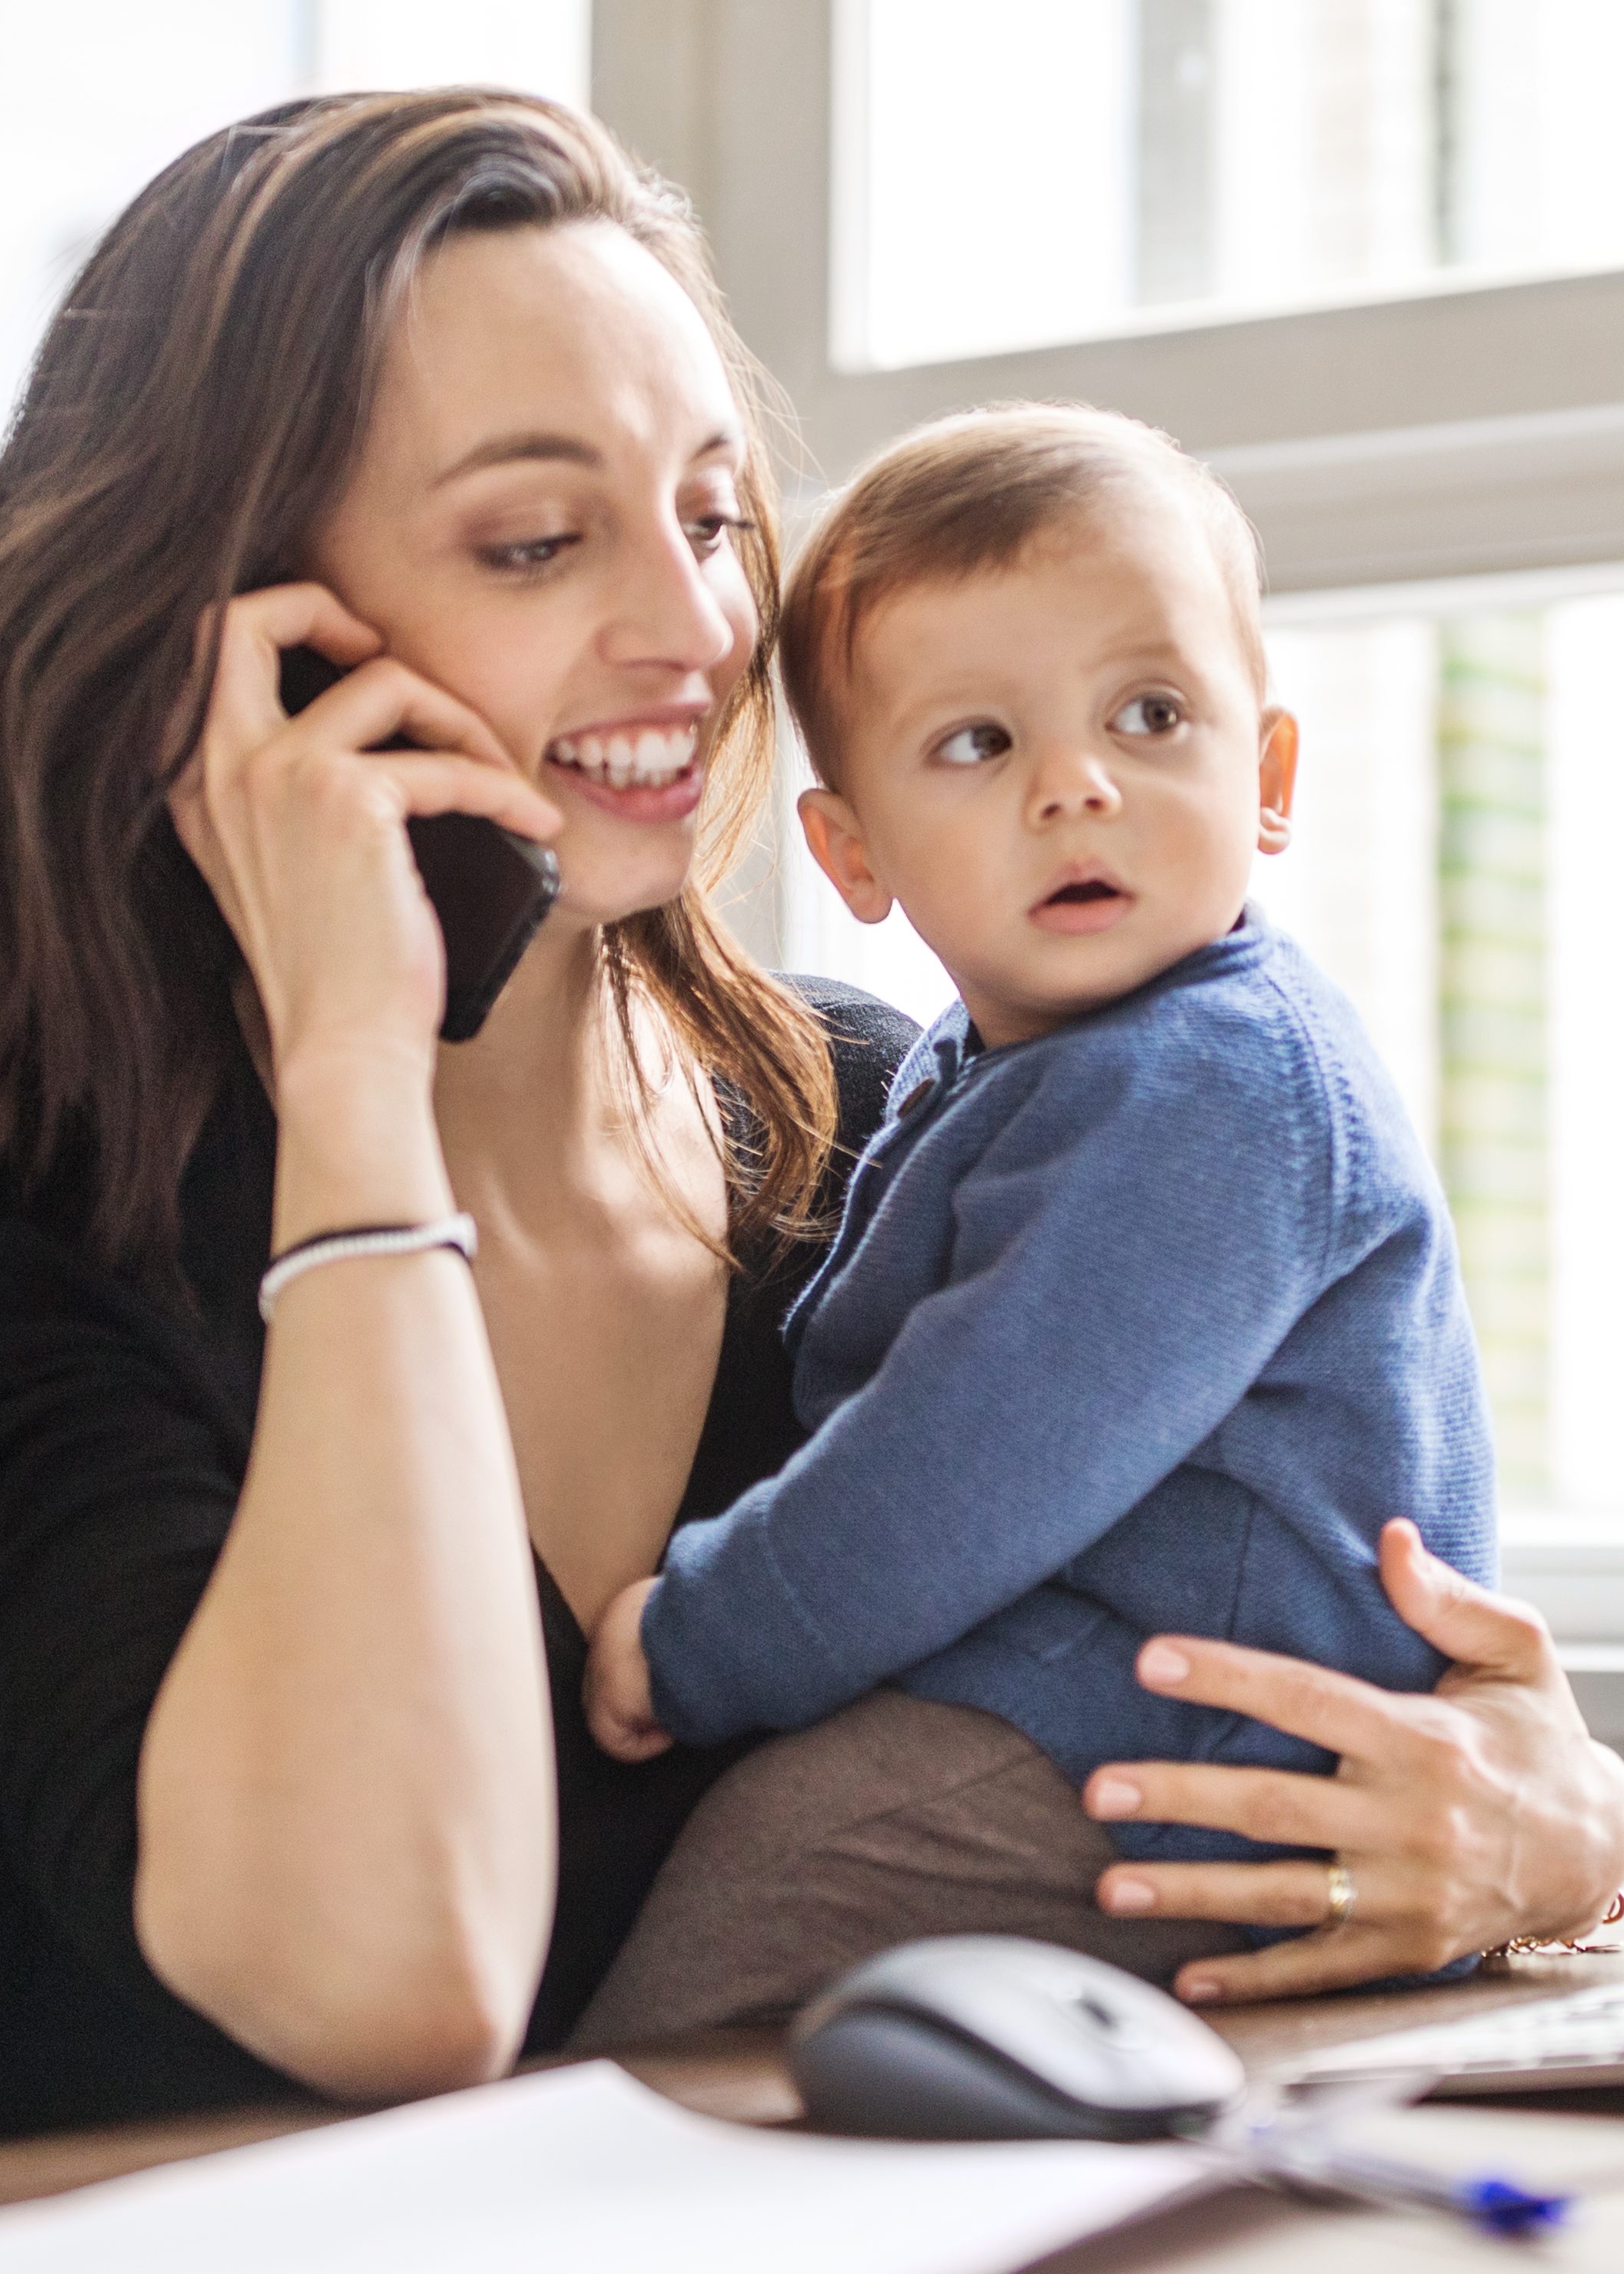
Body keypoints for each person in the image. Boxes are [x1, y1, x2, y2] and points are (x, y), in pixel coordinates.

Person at [0, 88, 1624, 2172]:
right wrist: (354, 1068)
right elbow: (393, 1983)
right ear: (239, 649)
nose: (701, 632)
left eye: (707, 516)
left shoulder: (873, 1127)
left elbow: (1310, 1628)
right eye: (534, 540)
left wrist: (1541, 1812)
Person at [572, 405, 1492, 2037]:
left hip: (1177, 1747)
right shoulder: (1001, 1060)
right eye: (977, 744)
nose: (1077, 786)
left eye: (1150, 715)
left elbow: (960, 1460)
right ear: (853, 850)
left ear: (1267, 776)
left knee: (727, 1937)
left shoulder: (1214, 1087)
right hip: (1111, 1717)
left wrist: (698, 1640)